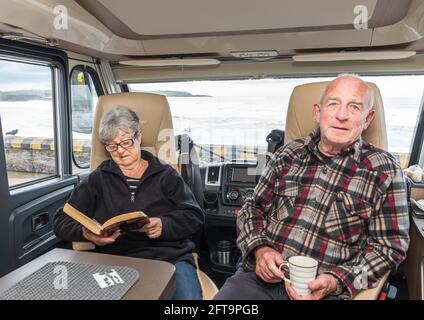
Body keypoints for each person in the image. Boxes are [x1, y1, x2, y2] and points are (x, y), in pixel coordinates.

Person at [214, 74, 410, 300]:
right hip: (259, 282)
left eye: (354, 107)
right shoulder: (287, 154)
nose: (342, 115)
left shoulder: (385, 170)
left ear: (367, 119)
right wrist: (260, 250)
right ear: (318, 112)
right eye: (333, 104)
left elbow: (390, 249)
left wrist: (337, 281)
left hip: (328, 291)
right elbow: (251, 209)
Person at [54, 106, 205, 300]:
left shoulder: (166, 175)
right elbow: (60, 220)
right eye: (112, 145)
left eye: (126, 142)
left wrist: (164, 224)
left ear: (139, 136)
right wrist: (86, 233)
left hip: (169, 258)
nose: (120, 151)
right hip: (114, 259)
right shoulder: (97, 179)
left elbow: (194, 217)